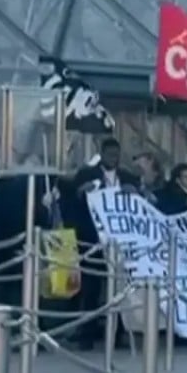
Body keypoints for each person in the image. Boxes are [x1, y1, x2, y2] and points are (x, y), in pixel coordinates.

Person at [67, 138, 141, 349]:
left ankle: (117, 334)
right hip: (93, 239)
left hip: (120, 241)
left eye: (116, 156)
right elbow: (73, 199)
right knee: (91, 287)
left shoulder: (128, 178)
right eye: (110, 155)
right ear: (102, 154)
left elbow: (140, 206)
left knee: (119, 288)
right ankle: (86, 334)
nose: (114, 159)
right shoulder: (86, 175)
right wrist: (82, 191)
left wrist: (135, 194)